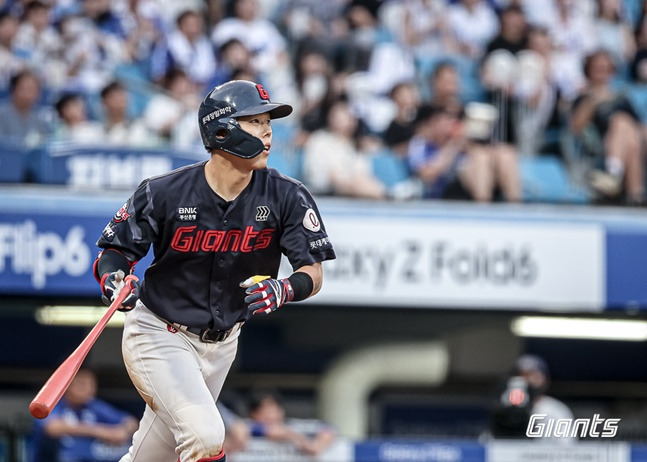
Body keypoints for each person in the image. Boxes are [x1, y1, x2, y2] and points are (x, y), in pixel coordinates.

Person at [92, 79, 336, 462]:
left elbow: (313, 271)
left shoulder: (287, 194)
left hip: (223, 344)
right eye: (254, 121)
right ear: (221, 130)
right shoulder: (164, 191)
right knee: (206, 437)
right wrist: (114, 280)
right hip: (160, 334)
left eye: (267, 121)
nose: (268, 130)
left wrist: (285, 289)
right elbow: (115, 252)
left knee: (153, 457)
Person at [570, 49, 646, 205]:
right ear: (589, 71)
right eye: (598, 68)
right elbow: (575, 128)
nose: (603, 73)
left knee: (628, 131)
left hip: (631, 143)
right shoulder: (583, 97)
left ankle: (614, 176)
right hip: (599, 146)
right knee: (621, 122)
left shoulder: (621, 97)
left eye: (607, 68)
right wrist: (594, 100)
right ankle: (635, 193)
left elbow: (639, 126)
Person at [30, 368, 138, 462]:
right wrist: (101, 432)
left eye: (91, 384)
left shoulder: (94, 405)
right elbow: (52, 427)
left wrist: (123, 432)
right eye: (82, 384)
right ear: (67, 386)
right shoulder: (55, 404)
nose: (88, 389)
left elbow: (131, 422)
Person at [246, 389, 336, 457]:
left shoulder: (291, 425)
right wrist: (293, 436)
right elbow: (272, 431)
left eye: (275, 410)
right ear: (254, 414)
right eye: (267, 411)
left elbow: (327, 427)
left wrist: (317, 446)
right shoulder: (245, 427)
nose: (272, 416)